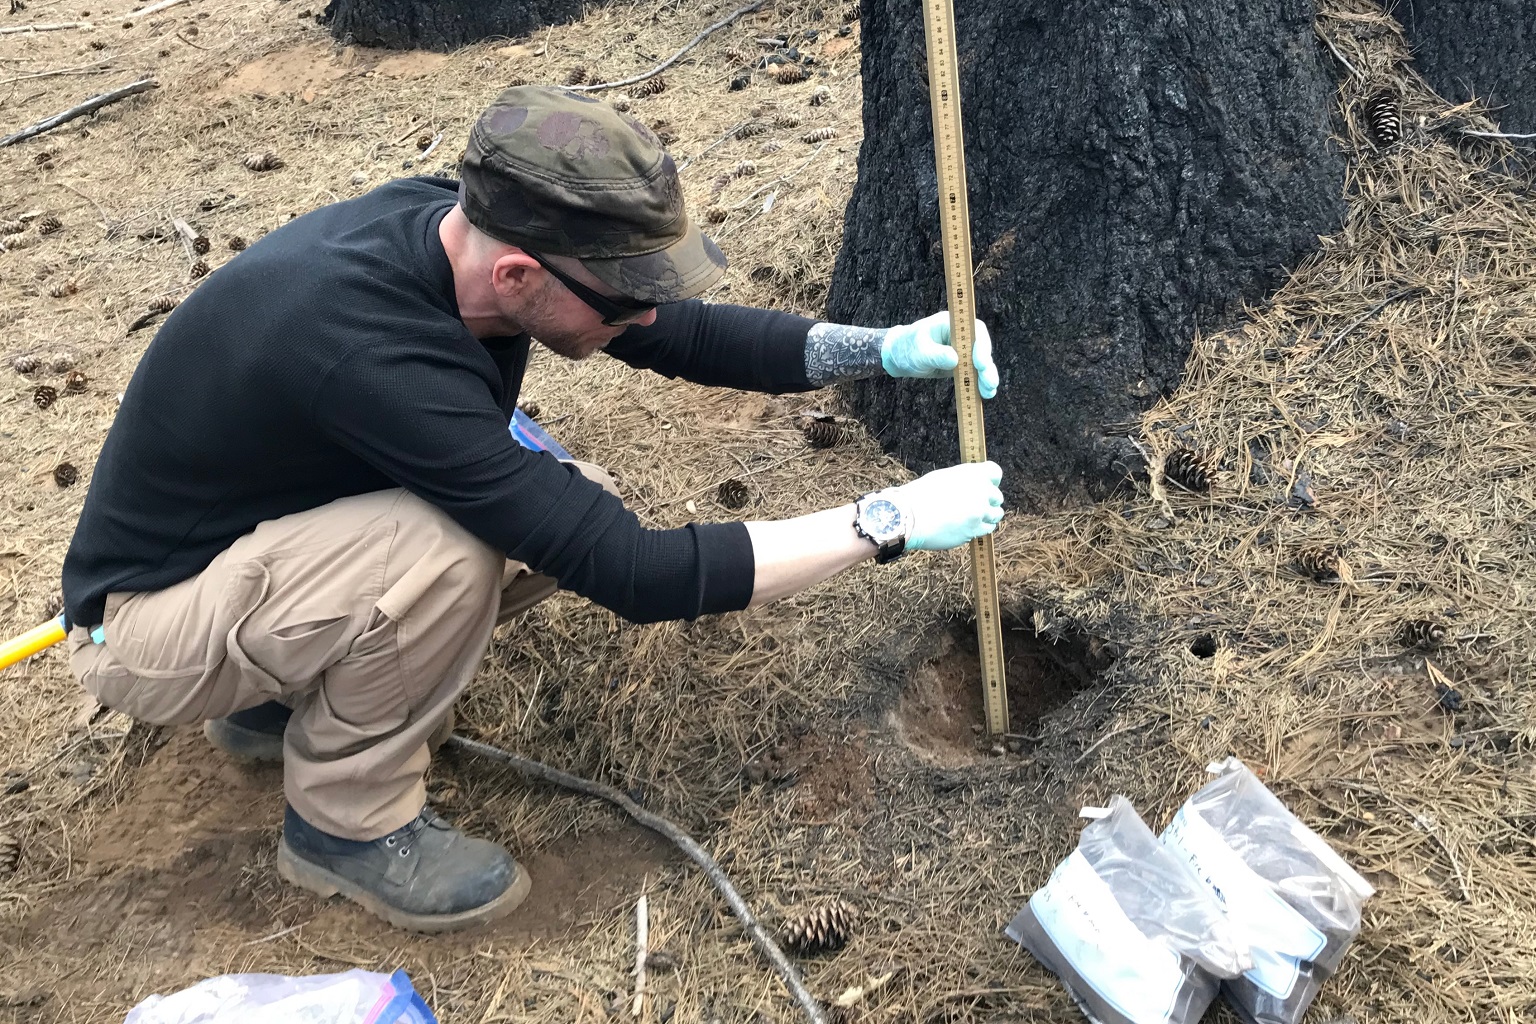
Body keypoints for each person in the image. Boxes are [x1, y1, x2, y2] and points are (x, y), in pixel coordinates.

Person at [60, 86, 1004, 933]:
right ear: (517, 277)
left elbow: (681, 331)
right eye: (623, 303)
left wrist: (879, 350)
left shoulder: (467, 237)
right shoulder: (368, 347)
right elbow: (637, 573)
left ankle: (281, 699)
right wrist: (888, 520)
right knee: (447, 549)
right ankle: (344, 827)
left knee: (558, 504)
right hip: (144, 629)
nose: (642, 318)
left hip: (248, 554)